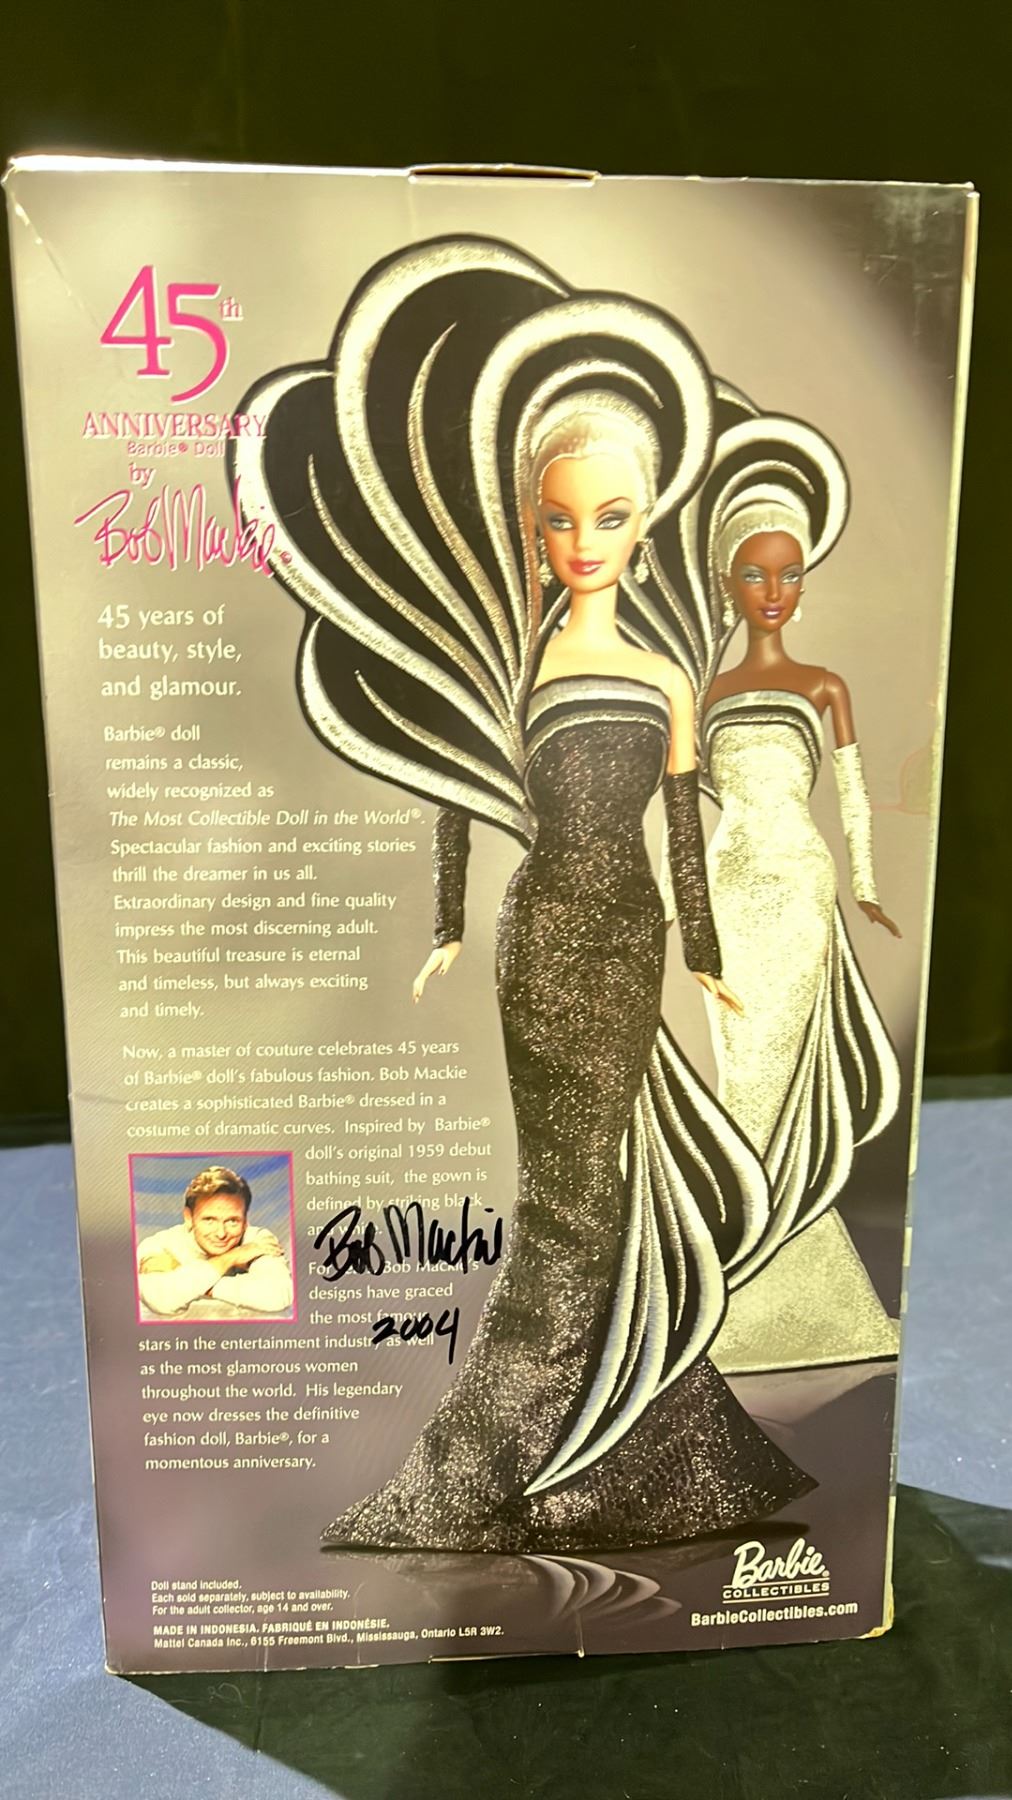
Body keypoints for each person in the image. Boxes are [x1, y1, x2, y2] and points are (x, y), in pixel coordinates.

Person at [232, 235, 814, 1552]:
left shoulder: (664, 678)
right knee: (565, 1200)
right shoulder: (515, 673)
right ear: (531, 527)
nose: (582, 542)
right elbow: (455, 798)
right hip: (541, 940)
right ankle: (497, 1462)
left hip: (632, 942)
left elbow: (678, 833)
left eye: (608, 518)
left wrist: (706, 957)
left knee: (604, 1190)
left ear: (644, 522)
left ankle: (607, 1443)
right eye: (559, 520)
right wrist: (446, 926)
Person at [678, 404, 902, 1372]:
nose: (773, 591)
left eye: (788, 574)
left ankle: (808, 1303)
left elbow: (851, 794)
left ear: (803, 584)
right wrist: (685, 916)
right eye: (755, 574)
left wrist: (865, 886)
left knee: (784, 1078)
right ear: (728, 584)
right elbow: (682, 817)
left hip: (801, 892)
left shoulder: (824, 685)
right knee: (743, 1081)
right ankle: (744, 1290)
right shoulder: (702, 694)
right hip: (731, 896)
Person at [136, 1166, 293, 1319]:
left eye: (232, 1221)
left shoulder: (258, 1240)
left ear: (245, 1221)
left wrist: (187, 1279)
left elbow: (278, 1296)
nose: (221, 1233)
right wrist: (231, 1257)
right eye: (209, 1220)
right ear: (188, 1218)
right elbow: (162, 1301)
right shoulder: (159, 1245)